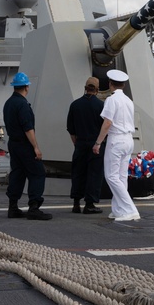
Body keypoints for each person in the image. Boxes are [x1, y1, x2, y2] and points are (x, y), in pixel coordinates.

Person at [3, 72, 51, 220]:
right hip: (24, 144)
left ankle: (13, 207)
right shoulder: (22, 105)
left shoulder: (8, 103)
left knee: (17, 173)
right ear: (26, 87)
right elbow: (28, 129)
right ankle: (34, 207)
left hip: (13, 144)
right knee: (37, 173)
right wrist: (36, 147)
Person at [93, 70, 138, 221]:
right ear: (124, 85)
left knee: (111, 176)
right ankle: (119, 209)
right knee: (121, 176)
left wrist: (98, 142)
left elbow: (107, 123)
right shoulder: (128, 101)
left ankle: (130, 209)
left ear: (110, 84)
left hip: (116, 139)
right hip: (128, 140)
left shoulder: (111, 100)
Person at [66, 76, 105, 214]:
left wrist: (76, 143)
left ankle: (76, 203)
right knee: (94, 174)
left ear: (85, 88)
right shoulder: (101, 106)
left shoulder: (75, 105)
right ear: (97, 89)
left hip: (80, 143)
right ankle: (89, 204)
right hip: (95, 144)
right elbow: (104, 128)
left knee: (78, 173)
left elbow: (71, 129)